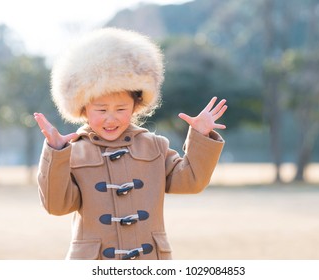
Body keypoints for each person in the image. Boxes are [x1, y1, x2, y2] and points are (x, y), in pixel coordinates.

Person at [34, 27, 227, 260]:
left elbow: (191, 182)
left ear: (136, 106)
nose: (111, 118)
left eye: (121, 109)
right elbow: (57, 206)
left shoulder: (155, 146)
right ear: (82, 108)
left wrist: (201, 137)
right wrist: (56, 153)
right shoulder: (74, 152)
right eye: (101, 109)